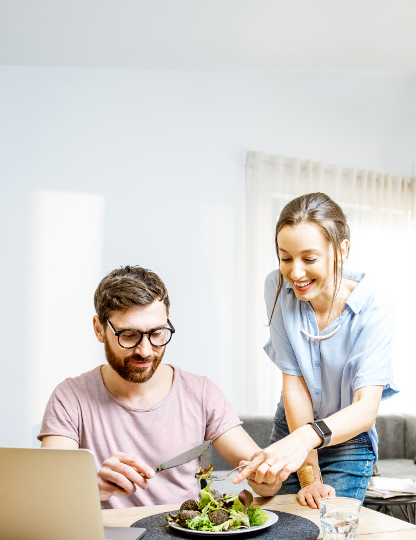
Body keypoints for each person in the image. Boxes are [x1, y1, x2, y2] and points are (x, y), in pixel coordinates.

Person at [39, 265, 279, 507]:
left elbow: (259, 469)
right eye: (129, 335)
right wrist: (91, 487)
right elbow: (48, 491)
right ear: (99, 329)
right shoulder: (70, 398)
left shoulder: (201, 392)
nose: (145, 351)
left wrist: (266, 478)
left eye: (157, 333)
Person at [235, 192, 397, 508]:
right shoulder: (277, 287)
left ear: (341, 250)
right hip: (292, 425)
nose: (295, 273)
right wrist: (310, 473)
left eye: (309, 259)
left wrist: (307, 439)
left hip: (347, 436)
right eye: (285, 258)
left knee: (329, 529)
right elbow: (294, 385)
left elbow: (366, 408)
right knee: (279, 528)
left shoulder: (374, 308)